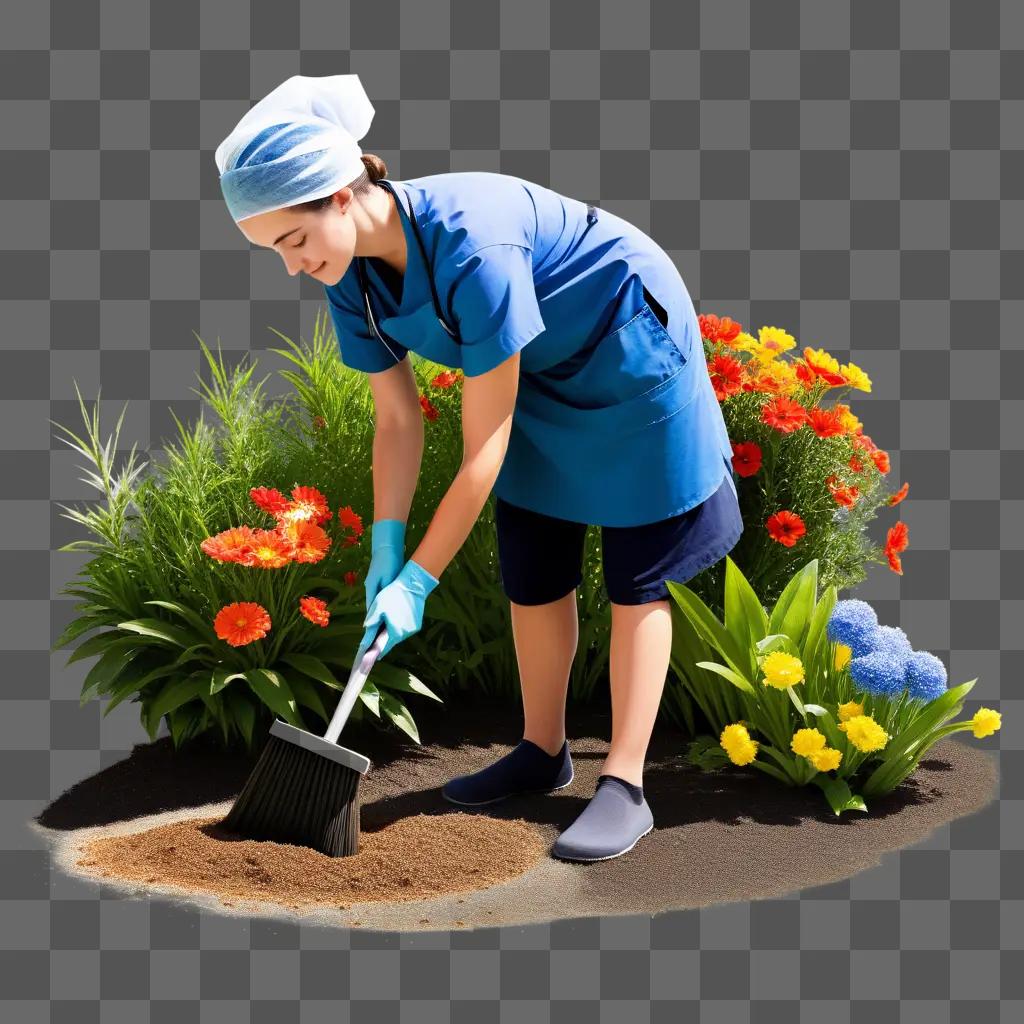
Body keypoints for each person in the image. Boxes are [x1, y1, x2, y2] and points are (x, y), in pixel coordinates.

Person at [215, 74, 743, 862]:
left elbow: (483, 448)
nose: (291, 267)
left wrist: (421, 580)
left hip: (626, 355)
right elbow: (397, 420)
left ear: (337, 195)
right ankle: (542, 750)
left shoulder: (474, 242)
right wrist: (388, 548)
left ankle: (626, 785)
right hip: (538, 373)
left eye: (292, 242)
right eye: (274, 254)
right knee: (533, 562)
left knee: (636, 576)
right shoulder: (348, 277)